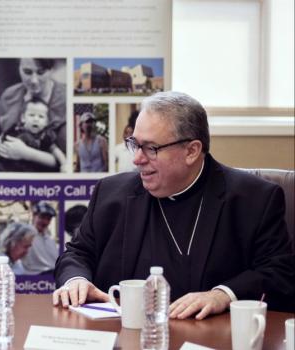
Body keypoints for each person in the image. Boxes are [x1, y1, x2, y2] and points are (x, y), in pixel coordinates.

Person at [53, 91, 295, 319]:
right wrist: (76, 280)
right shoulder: (110, 193)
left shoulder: (253, 199)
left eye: (150, 148)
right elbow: (77, 253)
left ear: (191, 151)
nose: (137, 159)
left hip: (209, 338)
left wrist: (223, 295)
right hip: (126, 335)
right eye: (134, 144)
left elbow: (279, 272)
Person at [0, 58, 66, 154]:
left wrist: (26, 153)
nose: (34, 81)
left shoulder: (67, 99)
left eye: (41, 72)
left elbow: (66, 159)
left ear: (51, 70)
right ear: (19, 68)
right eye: (27, 72)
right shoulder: (9, 94)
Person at [0, 98, 66, 172]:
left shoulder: (44, 136)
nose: (36, 119)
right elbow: (0, 138)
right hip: (6, 167)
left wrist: (64, 163)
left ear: (46, 122)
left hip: (29, 170)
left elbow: (56, 150)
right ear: (23, 118)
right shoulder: (15, 128)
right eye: (31, 115)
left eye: (41, 116)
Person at [21, 201, 59, 274]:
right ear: (34, 216)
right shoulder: (25, 234)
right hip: (36, 276)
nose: (45, 222)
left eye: (48, 219)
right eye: (42, 217)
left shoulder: (49, 239)